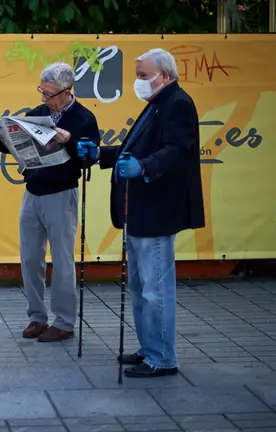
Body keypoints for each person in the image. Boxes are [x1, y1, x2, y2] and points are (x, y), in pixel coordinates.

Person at [77, 48, 204, 378]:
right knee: (140, 285)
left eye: (143, 75)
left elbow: (179, 152)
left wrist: (144, 168)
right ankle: (150, 348)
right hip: (140, 210)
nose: (138, 81)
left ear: (165, 74)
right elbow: (132, 149)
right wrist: (100, 155)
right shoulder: (157, 104)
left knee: (154, 289)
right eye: (137, 75)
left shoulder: (177, 104)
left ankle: (162, 358)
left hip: (157, 209)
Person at [0, 62, 100, 343]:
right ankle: (36, 316)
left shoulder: (84, 118)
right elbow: (16, 146)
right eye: (42, 92)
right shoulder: (38, 114)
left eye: (49, 94)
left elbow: (90, 157)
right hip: (32, 191)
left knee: (62, 259)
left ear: (67, 91)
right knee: (30, 257)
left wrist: (69, 142)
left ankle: (65, 321)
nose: (44, 99)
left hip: (61, 193)